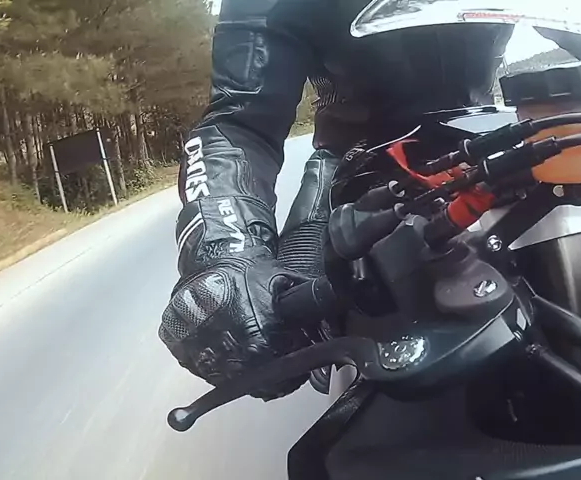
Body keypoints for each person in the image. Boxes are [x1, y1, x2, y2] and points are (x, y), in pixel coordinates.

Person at [158, 0, 515, 399]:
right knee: (288, 326)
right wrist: (226, 249)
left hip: (493, 145)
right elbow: (238, 123)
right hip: (356, 169)